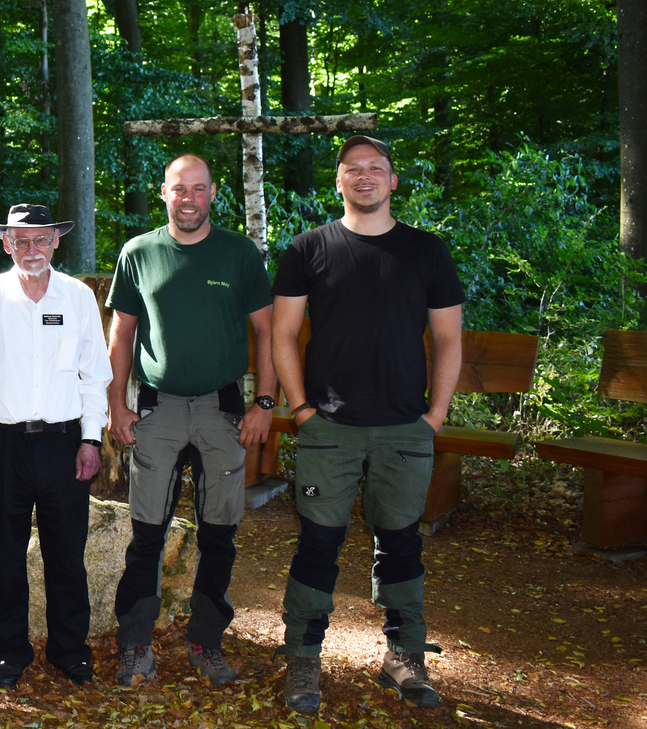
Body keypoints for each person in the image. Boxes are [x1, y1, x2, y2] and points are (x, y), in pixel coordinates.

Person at [271, 135, 465, 713]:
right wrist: (302, 409)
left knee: (402, 543)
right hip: (328, 427)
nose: (364, 177)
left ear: (393, 180)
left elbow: (450, 338)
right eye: (352, 169)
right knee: (317, 544)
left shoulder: (427, 252)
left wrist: (434, 416)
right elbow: (283, 334)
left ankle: (404, 656)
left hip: (406, 427)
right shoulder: (308, 249)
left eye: (375, 168)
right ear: (337, 182)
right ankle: (304, 658)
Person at [106, 153, 276, 687]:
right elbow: (121, 335)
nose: (189, 199)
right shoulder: (139, 253)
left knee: (220, 533)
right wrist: (116, 404)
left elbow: (268, 334)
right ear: (164, 193)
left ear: (212, 194)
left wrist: (264, 404)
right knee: (146, 533)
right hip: (157, 409)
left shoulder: (239, 254)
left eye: (199, 189)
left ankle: (207, 640)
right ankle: (135, 644)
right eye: (180, 189)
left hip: (222, 410)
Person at [0, 204, 113, 690]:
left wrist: (91, 437)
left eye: (40, 240)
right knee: (4, 553)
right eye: (21, 241)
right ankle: (8, 651)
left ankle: (69, 650)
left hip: (65, 443)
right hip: (0, 443)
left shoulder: (79, 298)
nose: (32, 250)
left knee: (67, 552)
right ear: (6, 245)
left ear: (56, 242)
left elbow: (95, 375)